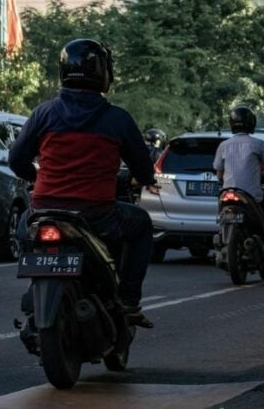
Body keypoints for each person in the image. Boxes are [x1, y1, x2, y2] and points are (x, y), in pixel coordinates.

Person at [9, 38, 159, 321]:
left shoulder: (44, 113)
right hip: (96, 214)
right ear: (104, 73)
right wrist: (145, 178)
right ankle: (128, 299)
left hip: (44, 210)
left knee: (23, 229)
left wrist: (37, 177)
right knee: (141, 224)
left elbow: (16, 160)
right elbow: (142, 168)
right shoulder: (118, 119)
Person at [212, 105, 264, 260]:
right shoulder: (259, 144)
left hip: (227, 193)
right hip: (252, 195)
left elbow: (219, 173)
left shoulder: (223, 145)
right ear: (251, 123)